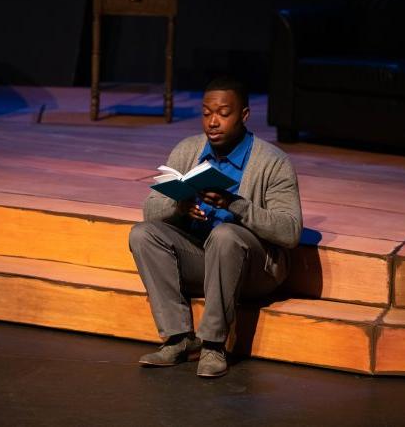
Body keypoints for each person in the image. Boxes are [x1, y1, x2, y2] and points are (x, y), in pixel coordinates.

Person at [129, 77, 302, 378]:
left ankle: (213, 345)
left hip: (255, 271)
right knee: (142, 234)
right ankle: (180, 339)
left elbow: (289, 231)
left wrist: (235, 205)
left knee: (225, 235)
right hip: (205, 262)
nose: (213, 122)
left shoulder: (273, 162)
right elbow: (150, 210)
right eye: (207, 113)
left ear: (244, 116)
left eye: (223, 113)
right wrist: (179, 206)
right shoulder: (187, 150)